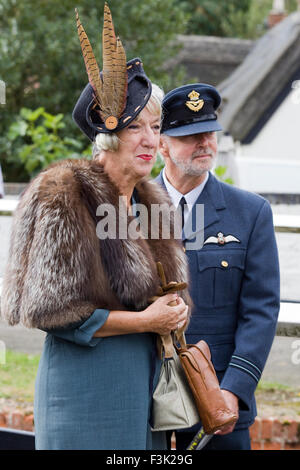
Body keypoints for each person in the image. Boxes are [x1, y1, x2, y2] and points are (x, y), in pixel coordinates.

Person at [0, 5, 190, 450]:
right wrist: (146, 320)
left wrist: (174, 312)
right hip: (86, 392)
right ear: (107, 135)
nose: (150, 140)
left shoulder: (152, 201)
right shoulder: (62, 193)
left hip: (150, 392)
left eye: (156, 127)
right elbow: (52, 312)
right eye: (136, 127)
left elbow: (168, 297)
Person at [156, 83, 280, 450]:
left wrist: (235, 389)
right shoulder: (128, 211)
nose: (204, 143)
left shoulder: (251, 213)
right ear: (162, 143)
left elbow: (260, 310)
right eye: (189, 135)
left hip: (219, 398)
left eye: (208, 132)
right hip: (147, 396)